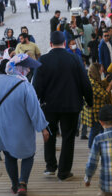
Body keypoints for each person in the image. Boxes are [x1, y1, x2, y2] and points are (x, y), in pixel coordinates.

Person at [0, 54, 49, 196]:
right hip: (22, 127)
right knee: (28, 154)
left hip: (2, 126)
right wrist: (43, 128)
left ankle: (14, 184)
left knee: (9, 155)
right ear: (20, 68)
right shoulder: (26, 86)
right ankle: (23, 183)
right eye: (27, 67)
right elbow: (34, 110)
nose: (29, 70)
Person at [33, 31, 93, 180]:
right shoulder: (74, 58)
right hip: (70, 106)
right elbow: (85, 82)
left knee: (50, 135)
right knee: (68, 137)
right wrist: (90, 101)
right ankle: (64, 171)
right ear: (65, 43)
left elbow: (36, 86)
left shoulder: (42, 60)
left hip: (49, 106)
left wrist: (35, 105)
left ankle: (50, 166)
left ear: (50, 44)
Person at [81, 63, 112, 148]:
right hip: (95, 111)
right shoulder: (92, 83)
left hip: (96, 110)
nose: (102, 70)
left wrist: (105, 81)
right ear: (97, 70)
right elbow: (103, 94)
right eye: (101, 69)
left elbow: (99, 85)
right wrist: (110, 86)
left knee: (100, 129)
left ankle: (99, 147)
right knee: (95, 130)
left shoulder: (92, 79)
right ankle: (91, 147)